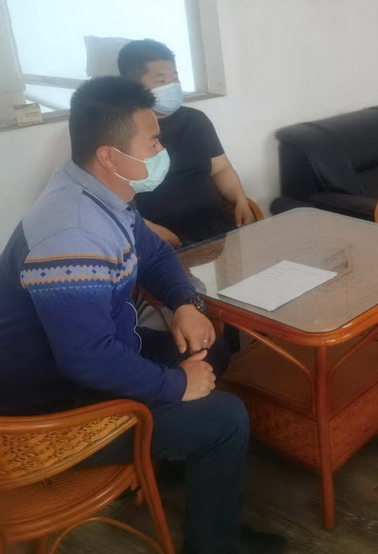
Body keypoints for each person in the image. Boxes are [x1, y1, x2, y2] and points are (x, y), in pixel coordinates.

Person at [0, 77, 282, 554]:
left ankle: (173, 455)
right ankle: (214, 546)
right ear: (110, 155)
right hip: (51, 416)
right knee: (225, 418)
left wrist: (186, 305)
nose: (160, 150)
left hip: (89, 366)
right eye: (152, 141)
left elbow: (154, 255)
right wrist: (175, 386)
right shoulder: (71, 232)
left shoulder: (100, 193)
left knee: (209, 349)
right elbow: (86, 359)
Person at [117, 39, 255, 248]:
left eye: (175, 78)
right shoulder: (120, 130)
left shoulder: (195, 120)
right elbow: (113, 199)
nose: (172, 86)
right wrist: (148, 229)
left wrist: (240, 200)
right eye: (161, 81)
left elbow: (221, 169)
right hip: (157, 238)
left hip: (213, 228)